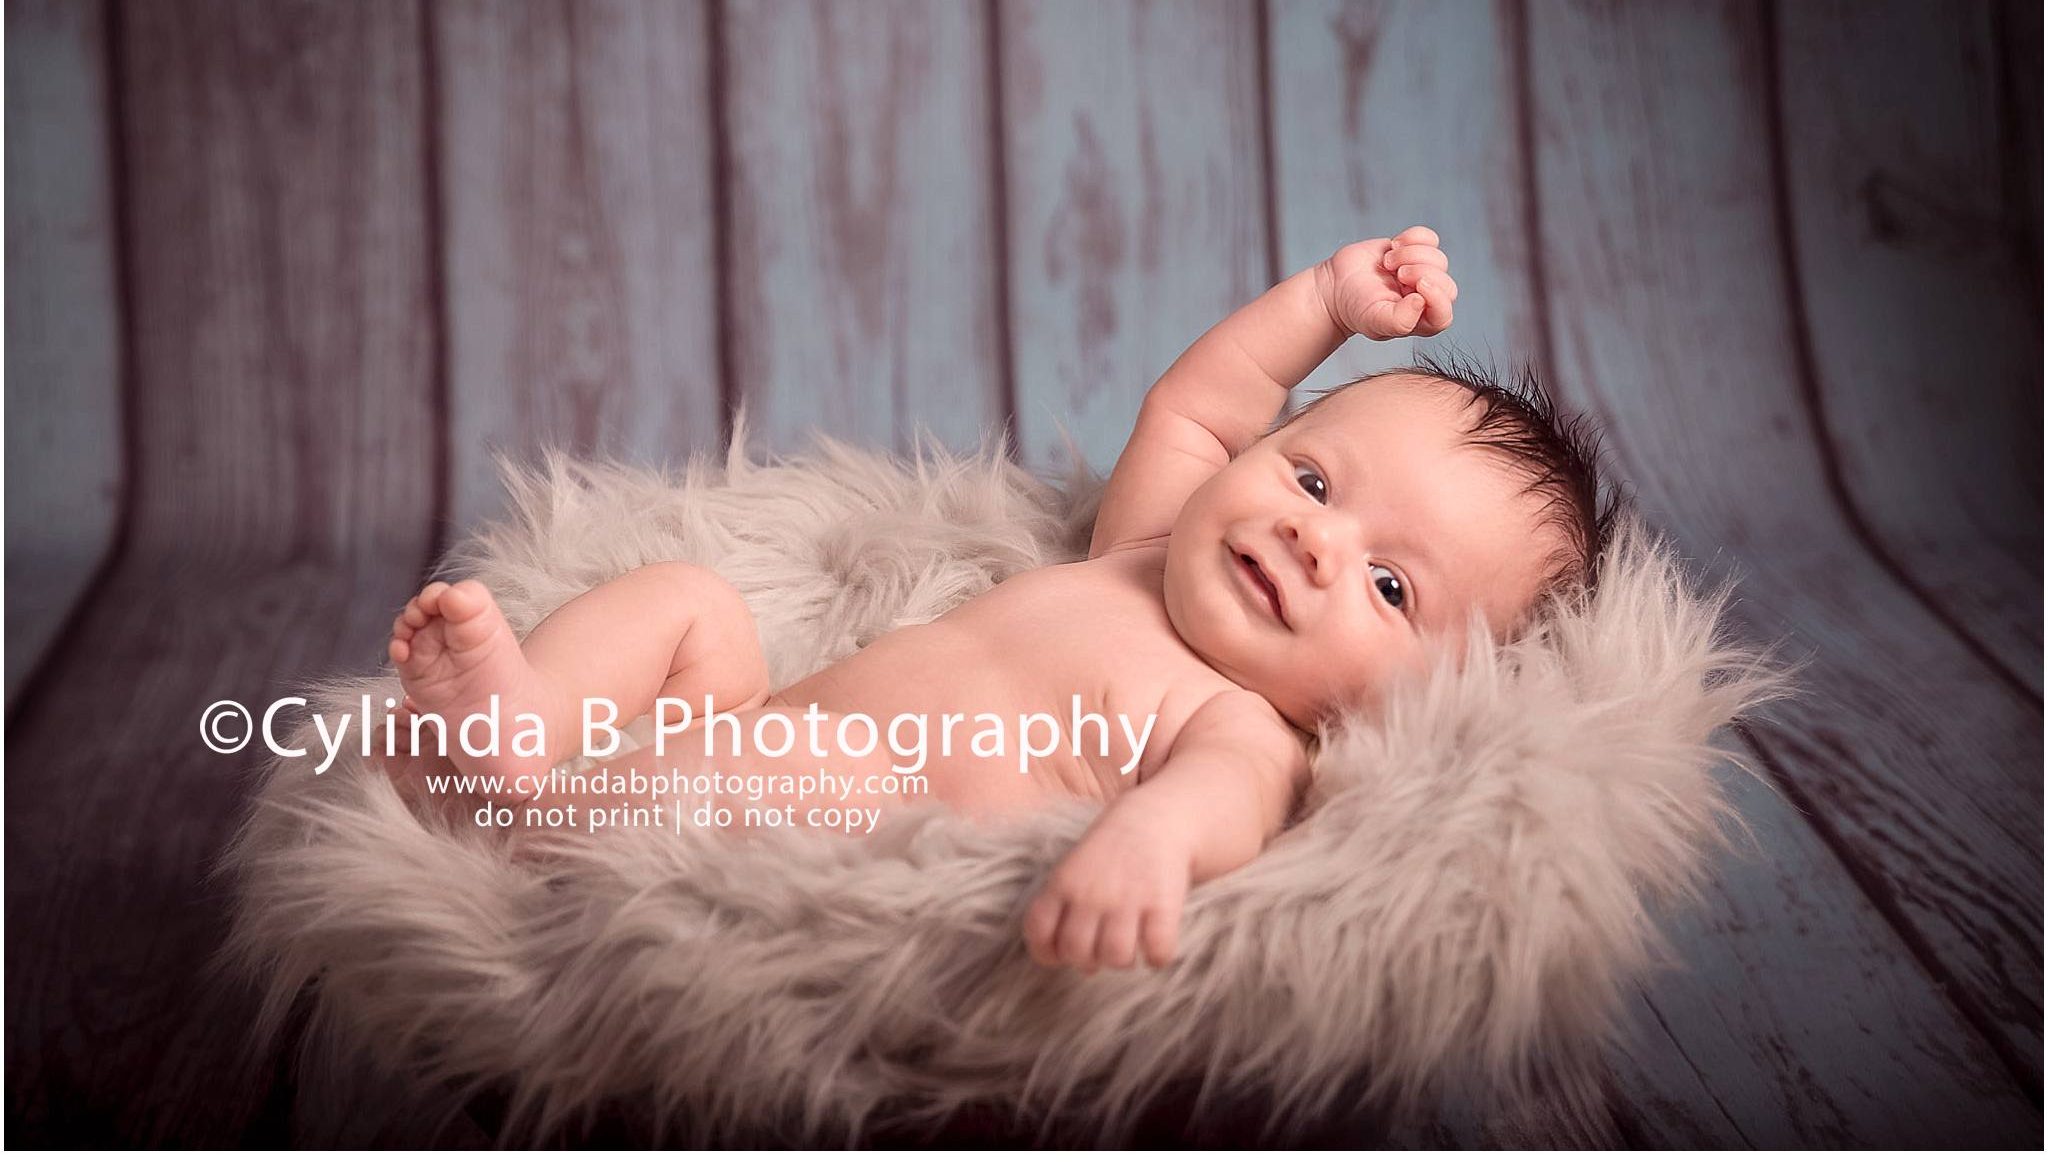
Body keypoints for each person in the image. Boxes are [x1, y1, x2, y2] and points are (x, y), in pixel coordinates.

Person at [383, 226, 1616, 971]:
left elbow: (1215, 807)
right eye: (1310, 475)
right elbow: (1201, 400)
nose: (1310, 538)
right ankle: (518, 727)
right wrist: (1327, 304)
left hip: (841, 811)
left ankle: (521, 818)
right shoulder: (1141, 549)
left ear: (1432, 694)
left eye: (1390, 585)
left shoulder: (1242, 726)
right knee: (690, 597)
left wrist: (1142, 843)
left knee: (818, 778)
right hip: (745, 719)